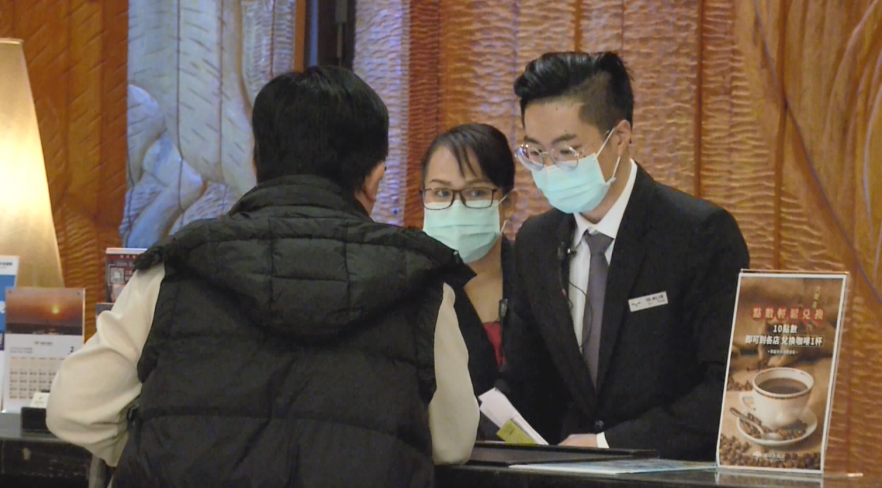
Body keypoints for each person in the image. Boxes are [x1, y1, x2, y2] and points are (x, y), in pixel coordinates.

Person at [47, 66, 480, 488]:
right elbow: (453, 441)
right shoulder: (420, 283)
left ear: (256, 165)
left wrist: (154, 452)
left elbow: (75, 409)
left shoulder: (176, 270)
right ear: (374, 178)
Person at [500, 51, 749, 460]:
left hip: (670, 471)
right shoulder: (536, 242)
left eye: (567, 152)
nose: (549, 169)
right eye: (535, 153)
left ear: (619, 137)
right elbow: (528, 380)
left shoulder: (698, 234)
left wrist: (608, 446)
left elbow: (726, 387)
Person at [420, 124, 517, 396]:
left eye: (476, 193)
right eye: (441, 193)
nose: (457, 207)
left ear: (509, 203)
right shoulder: (412, 288)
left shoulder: (539, 277)